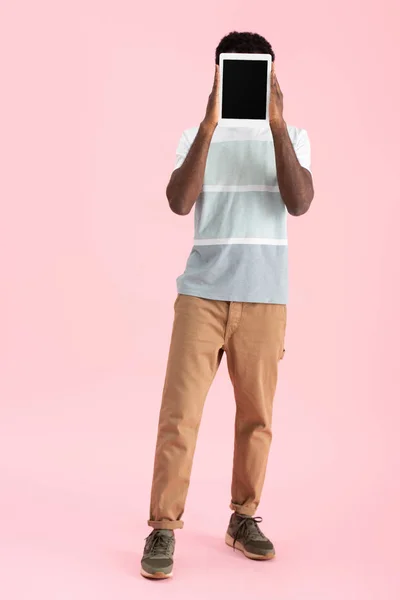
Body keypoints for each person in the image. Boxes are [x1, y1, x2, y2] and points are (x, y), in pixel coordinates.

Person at [140, 31, 314, 579]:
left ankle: (243, 519)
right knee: (179, 416)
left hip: (265, 296)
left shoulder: (295, 136)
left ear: (272, 77)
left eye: (254, 71)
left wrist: (278, 124)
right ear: (216, 74)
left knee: (256, 419)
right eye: (233, 71)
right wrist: (211, 125)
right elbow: (178, 201)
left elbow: (301, 201)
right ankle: (163, 528)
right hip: (201, 295)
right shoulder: (197, 134)